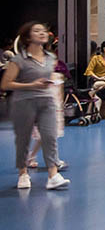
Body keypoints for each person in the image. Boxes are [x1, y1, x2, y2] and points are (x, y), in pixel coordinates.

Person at [2, 22, 69, 190]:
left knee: (49, 136)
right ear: (28, 37)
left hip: (47, 101)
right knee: (23, 139)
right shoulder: (18, 60)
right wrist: (32, 85)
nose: (42, 33)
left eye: (43, 31)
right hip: (24, 102)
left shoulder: (51, 58)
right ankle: (22, 173)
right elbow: (6, 84)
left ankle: (53, 175)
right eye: (37, 31)